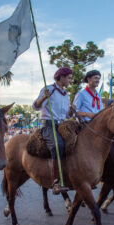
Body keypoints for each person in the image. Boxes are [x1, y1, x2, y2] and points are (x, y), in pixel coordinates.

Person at [32, 67, 73, 195]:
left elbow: (67, 115)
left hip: (63, 125)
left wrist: (72, 111)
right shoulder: (48, 89)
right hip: (49, 125)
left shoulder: (66, 95)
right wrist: (44, 97)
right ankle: (56, 182)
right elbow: (35, 106)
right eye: (69, 77)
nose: (70, 80)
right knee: (58, 145)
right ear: (61, 77)